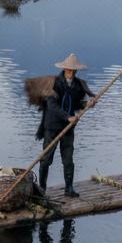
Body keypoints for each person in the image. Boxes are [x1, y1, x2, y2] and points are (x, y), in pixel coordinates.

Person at [35, 53, 96, 197]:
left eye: (74, 70)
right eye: (69, 70)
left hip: (68, 128)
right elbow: (52, 105)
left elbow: (76, 104)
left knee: (68, 160)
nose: (71, 72)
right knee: (46, 159)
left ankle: (69, 189)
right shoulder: (54, 83)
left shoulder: (77, 85)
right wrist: (68, 117)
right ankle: (41, 189)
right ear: (64, 69)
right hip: (52, 126)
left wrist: (87, 104)